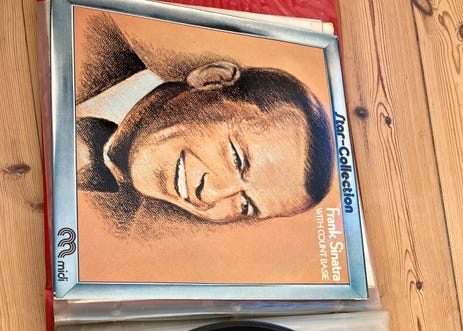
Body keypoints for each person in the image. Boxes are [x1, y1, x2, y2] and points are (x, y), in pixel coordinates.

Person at [76, 22, 334, 226]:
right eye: (236, 158)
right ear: (211, 79)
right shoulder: (89, 38)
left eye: (245, 205)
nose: (209, 196)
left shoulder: (115, 231)